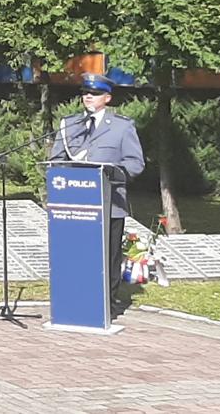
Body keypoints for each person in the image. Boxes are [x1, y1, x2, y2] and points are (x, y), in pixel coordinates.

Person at [50, 72, 144, 318]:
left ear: (108, 98)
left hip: (109, 201)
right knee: (76, 255)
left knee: (109, 256)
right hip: (74, 205)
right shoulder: (69, 124)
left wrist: (113, 177)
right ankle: (76, 298)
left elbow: (135, 163)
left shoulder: (123, 127)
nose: (88, 97)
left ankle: (107, 303)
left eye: (95, 93)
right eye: (85, 93)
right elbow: (56, 160)